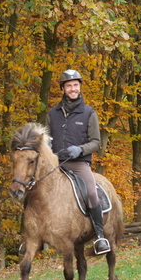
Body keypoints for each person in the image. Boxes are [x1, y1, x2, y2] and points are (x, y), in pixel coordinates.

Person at [46, 69, 111, 255]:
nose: (73, 89)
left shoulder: (89, 113)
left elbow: (96, 143)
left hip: (79, 163)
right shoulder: (52, 114)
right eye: (69, 86)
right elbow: (47, 139)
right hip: (56, 164)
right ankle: (31, 236)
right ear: (63, 88)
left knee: (91, 191)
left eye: (75, 85)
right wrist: (47, 146)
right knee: (34, 188)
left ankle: (100, 236)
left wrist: (80, 150)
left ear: (79, 87)